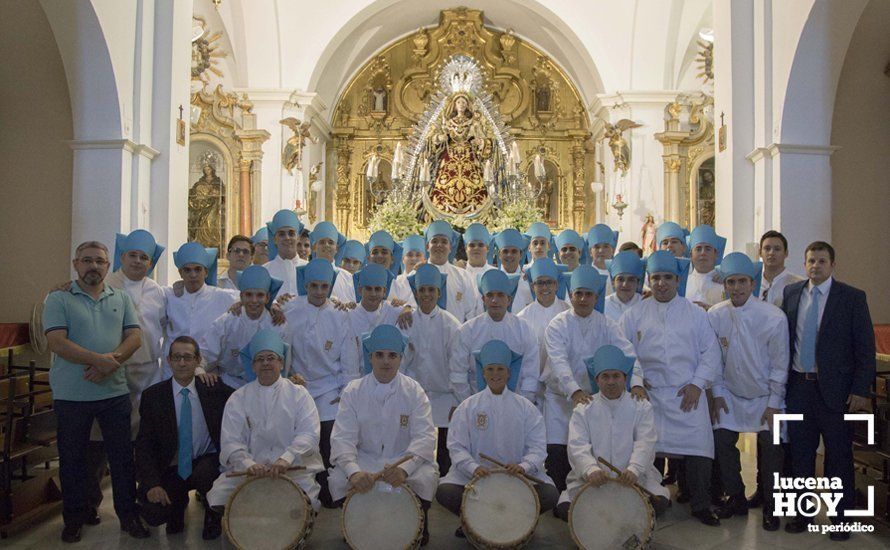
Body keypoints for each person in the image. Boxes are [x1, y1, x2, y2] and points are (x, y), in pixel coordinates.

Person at [43, 241, 149, 542]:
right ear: (76, 264)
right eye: (87, 260)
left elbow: (135, 337)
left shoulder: (121, 297)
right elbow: (57, 342)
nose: (94, 266)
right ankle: (74, 519)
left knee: (121, 459)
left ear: (107, 265)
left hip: (114, 393)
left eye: (100, 261)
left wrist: (109, 363)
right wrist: (98, 361)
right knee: (73, 460)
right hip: (71, 394)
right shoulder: (58, 298)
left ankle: (128, 516)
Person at [618, 250, 722, 525]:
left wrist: (697, 385)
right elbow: (624, 353)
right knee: (647, 449)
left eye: (667, 277)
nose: (661, 283)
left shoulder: (695, 314)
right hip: (648, 395)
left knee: (699, 448)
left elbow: (711, 353)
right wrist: (637, 382)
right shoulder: (634, 314)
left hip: (686, 394)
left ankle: (702, 504)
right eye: (656, 278)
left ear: (677, 280)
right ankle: (650, 498)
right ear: (649, 280)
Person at [781, 241, 875, 540]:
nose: (815, 266)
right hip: (799, 388)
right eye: (811, 260)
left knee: (838, 457)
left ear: (832, 265)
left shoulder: (851, 297)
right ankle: (802, 515)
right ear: (804, 263)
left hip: (837, 391)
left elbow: (865, 349)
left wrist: (861, 390)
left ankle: (840, 519)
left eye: (822, 261)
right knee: (800, 455)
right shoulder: (792, 293)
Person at [328, 325, 439, 546]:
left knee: (426, 475)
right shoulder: (353, 391)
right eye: (379, 355)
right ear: (370, 358)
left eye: (392, 355)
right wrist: (354, 472)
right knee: (339, 477)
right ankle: (358, 521)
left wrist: (404, 470)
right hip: (365, 460)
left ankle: (415, 520)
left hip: (403, 459)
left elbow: (425, 437)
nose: (386, 361)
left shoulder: (414, 390)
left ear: (401, 358)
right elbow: (342, 439)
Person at [437, 339, 558, 537]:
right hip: (477, 478)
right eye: (490, 369)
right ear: (482, 373)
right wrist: (473, 467)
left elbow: (537, 449)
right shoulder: (467, 407)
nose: (495, 374)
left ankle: (517, 522)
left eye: (500, 369)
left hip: (516, 478)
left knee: (550, 494)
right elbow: (456, 447)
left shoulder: (526, 408)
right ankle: (473, 521)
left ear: (509, 373)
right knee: (445, 491)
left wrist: (523, 467)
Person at [543, 265, 645, 492]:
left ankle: (590, 497)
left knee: (587, 451)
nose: (582, 299)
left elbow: (628, 354)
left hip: (592, 401)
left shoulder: (607, 324)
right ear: (570, 295)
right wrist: (574, 391)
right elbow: (559, 363)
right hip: (560, 399)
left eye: (588, 294)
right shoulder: (557, 325)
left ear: (596, 297)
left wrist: (637, 382)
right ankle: (562, 496)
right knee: (558, 449)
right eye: (578, 293)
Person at [707, 253, 789, 531]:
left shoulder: (773, 317)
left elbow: (780, 364)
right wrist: (717, 392)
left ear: (752, 283)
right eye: (731, 282)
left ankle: (771, 507)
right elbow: (713, 358)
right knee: (722, 441)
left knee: (772, 450)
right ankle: (737, 497)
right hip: (729, 393)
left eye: (742, 281)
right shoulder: (715, 315)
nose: (737, 288)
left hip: (766, 396)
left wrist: (774, 402)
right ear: (725, 285)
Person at [206, 330, 324, 512]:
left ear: (281, 362)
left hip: (293, 469)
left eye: (271, 358)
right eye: (260, 359)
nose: (266, 363)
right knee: (218, 496)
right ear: (253, 366)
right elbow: (231, 441)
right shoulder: (238, 398)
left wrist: (286, 459)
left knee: (307, 501)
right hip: (249, 471)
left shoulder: (299, 394)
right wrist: (249, 464)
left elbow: (309, 434)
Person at [554, 345, 670, 520]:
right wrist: (590, 469)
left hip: (633, 480)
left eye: (616, 376)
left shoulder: (641, 406)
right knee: (564, 510)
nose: (611, 381)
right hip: (593, 482)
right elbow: (577, 446)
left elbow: (645, 442)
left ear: (625, 378)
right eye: (605, 376)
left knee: (659, 502)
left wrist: (634, 469)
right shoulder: (584, 409)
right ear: (597, 379)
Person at [135, 336, 234, 539]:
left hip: (206, 462)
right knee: (155, 513)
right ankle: (177, 506)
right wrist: (153, 484)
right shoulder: (153, 396)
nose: (182, 363)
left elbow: (245, 398)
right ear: (169, 360)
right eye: (177, 357)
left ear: (198, 361)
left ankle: (213, 514)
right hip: (172, 465)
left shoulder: (213, 388)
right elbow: (145, 445)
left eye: (188, 357)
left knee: (206, 475)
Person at [281, 258, 360, 506]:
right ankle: (299, 487)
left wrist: (345, 391)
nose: (318, 292)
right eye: (313, 285)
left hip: (329, 387)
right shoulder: (289, 310)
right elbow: (284, 349)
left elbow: (348, 356)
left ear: (330, 287)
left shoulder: (339, 314)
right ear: (306, 285)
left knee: (328, 437)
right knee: (299, 437)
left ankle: (328, 488)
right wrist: (287, 379)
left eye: (323, 287)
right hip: (298, 385)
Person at [402, 264, 462, 475]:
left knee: (446, 451)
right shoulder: (406, 321)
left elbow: (458, 367)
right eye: (422, 290)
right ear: (416, 293)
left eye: (431, 290)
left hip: (445, 395)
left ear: (439, 292)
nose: (426, 294)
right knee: (414, 446)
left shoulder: (451, 325)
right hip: (414, 395)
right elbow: (401, 362)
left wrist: (458, 400)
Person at [451, 270, 540, 403]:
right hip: (477, 403)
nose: (494, 300)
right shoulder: (467, 331)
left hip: (515, 404)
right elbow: (458, 374)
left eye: (500, 295)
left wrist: (521, 406)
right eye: (490, 295)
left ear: (509, 299)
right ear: (483, 299)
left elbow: (530, 376)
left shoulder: (524, 330)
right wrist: (470, 405)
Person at [163, 242, 239, 378]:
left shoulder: (221, 296)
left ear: (206, 272)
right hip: (173, 371)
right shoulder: (169, 296)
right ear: (180, 273)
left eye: (198, 269)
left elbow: (253, 296)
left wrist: (274, 303)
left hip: (207, 372)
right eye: (187, 270)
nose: (193, 274)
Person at [203, 265, 286, 388]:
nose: (254, 300)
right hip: (229, 385)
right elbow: (206, 354)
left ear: (267, 297)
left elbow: (284, 365)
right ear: (241, 297)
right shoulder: (226, 321)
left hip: (267, 387)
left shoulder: (277, 325)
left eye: (259, 295)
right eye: (249, 295)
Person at [516, 258, 571, 410]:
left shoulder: (568, 313)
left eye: (549, 282)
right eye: (540, 283)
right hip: (531, 390)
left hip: (561, 391)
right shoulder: (522, 318)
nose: (544, 287)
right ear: (533, 286)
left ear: (556, 285)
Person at [347, 264, 411, 360]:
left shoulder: (392, 311)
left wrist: (408, 307)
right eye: (368, 289)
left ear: (384, 291)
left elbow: (413, 313)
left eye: (377, 289)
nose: (373, 294)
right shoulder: (350, 314)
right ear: (360, 290)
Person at [425, 220, 480, 322]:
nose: (439, 245)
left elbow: (470, 311)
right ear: (427, 246)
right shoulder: (416, 275)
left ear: (450, 247)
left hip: (456, 334)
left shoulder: (463, 276)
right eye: (435, 241)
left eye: (444, 242)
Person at [264, 209, 308, 297]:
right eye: (281, 234)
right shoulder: (265, 271)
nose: (287, 238)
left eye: (291, 234)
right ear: (275, 240)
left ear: (298, 238)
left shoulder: (310, 268)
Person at [309, 221, 356, 303]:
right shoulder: (305, 272)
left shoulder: (347, 277)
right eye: (322, 242)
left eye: (330, 242)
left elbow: (354, 305)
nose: (326, 245)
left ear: (336, 248)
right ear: (314, 247)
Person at [491, 228, 533, 312]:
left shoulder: (529, 280)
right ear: (499, 255)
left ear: (520, 255)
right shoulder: (492, 280)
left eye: (514, 251)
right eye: (505, 251)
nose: (509, 255)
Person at [758, 230, 804, 307]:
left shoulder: (798, 284)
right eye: (767, 248)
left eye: (777, 249)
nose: (771, 253)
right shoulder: (752, 284)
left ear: (786, 253)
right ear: (760, 253)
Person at [686, 224, 726, 309]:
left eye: (708, 249)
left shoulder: (726, 284)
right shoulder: (683, 283)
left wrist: (712, 312)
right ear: (691, 255)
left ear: (716, 254)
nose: (703, 253)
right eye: (698, 249)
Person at [604, 250, 644, 322]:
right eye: (620, 279)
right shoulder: (604, 305)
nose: (625, 284)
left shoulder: (645, 305)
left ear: (638, 283)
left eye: (631, 280)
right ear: (613, 282)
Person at [391, 234, 425, 307]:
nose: (414, 258)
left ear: (424, 259)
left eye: (418, 255)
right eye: (409, 255)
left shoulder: (429, 281)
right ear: (403, 259)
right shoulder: (395, 282)